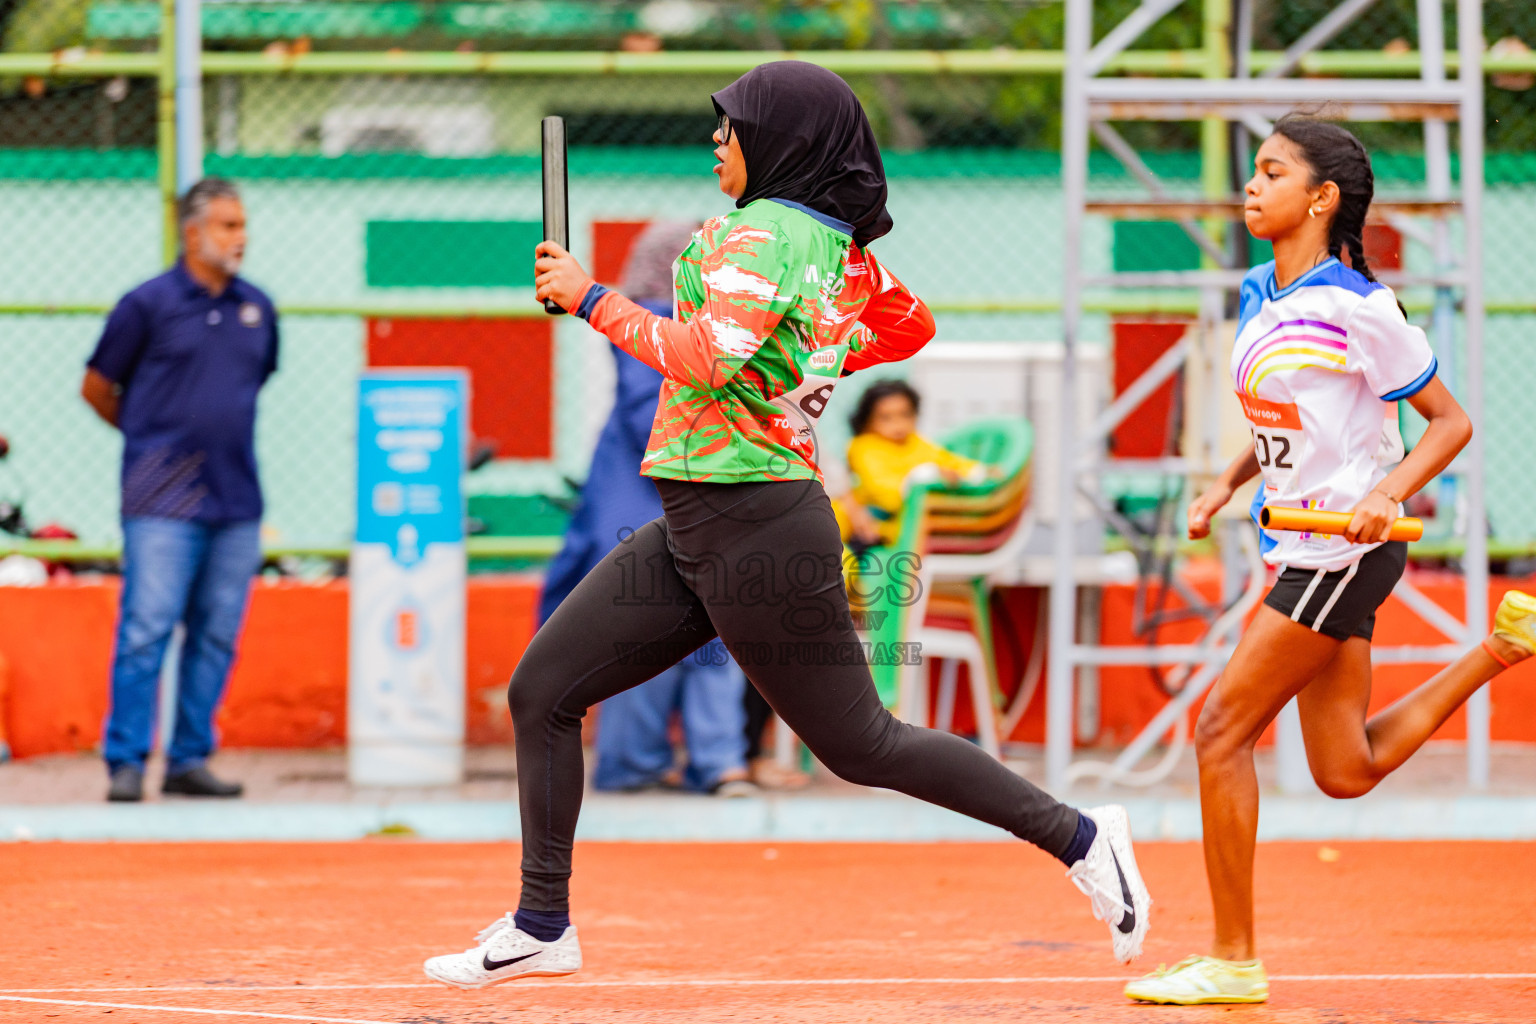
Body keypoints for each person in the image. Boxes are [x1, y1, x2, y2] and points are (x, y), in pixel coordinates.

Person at [423, 61, 1150, 991]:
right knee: (545, 691)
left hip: (756, 521)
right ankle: (540, 923)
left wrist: (590, 297)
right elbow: (909, 323)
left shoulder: (763, 231)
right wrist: (814, 345)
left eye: (729, 129)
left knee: (863, 745)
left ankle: (1084, 837)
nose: (715, 144)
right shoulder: (830, 241)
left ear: (778, 140)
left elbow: (704, 361)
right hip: (703, 514)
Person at [1124, 115, 1536, 1005]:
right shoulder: (1256, 292)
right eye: (1254, 171)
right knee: (1344, 770)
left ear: (1322, 197)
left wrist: (1387, 494)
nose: (1252, 185)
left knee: (1220, 730)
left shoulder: (1361, 306)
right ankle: (1502, 649)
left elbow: (1452, 423)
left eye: (1272, 173)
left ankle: (1233, 958)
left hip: (1341, 553)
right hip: (1300, 546)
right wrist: (1225, 483)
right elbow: (1280, 415)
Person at [537, 220, 754, 797]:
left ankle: (658, 761)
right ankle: (709, 760)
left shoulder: (661, 325)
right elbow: (650, 417)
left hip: (652, 500)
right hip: (669, 494)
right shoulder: (667, 322)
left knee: (652, 633)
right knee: (694, 629)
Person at [81, 178, 278, 803]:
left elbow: (256, 379)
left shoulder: (259, 309)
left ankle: (189, 759)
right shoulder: (145, 305)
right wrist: (148, 437)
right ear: (192, 233)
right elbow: (96, 386)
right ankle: (126, 762)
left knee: (218, 633)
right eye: (227, 225)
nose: (239, 237)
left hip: (236, 499)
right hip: (160, 502)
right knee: (146, 627)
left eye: (242, 224)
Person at [835, 378, 989, 553]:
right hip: (868, 527)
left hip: (905, 528)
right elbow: (883, 492)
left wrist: (977, 472)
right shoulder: (863, 446)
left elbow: (948, 461)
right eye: (886, 418)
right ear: (867, 421)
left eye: (905, 414)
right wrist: (926, 474)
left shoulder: (916, 443)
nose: (898, 424)